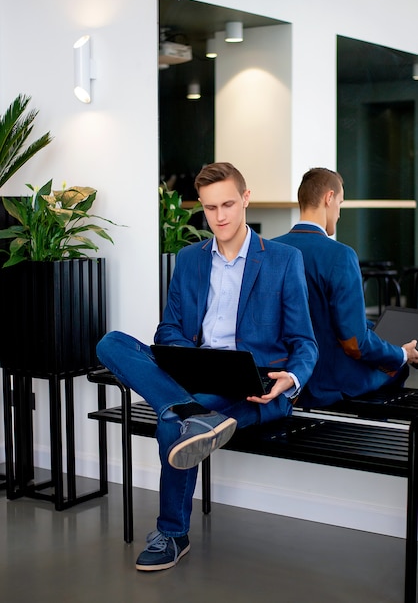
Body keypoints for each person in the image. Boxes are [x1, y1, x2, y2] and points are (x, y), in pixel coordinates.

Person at [96, 161, 318, 572]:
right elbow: (169, 329)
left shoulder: (283, 260)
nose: (220, 217)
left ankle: (173, 534)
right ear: (202, 206)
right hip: (196, 375)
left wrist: (291, 378)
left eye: (229, 204)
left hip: (254, 386)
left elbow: (305, 342)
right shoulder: (190, 259)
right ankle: (189, 410)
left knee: (172, 422)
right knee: (112, 343)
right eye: (211, 208)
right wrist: (192, 359)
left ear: (246, 199)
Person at [273, 166, 418, 408]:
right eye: (340, 203)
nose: (339, 214)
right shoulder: (340, 255)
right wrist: (402, 354)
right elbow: (354, 344)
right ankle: (370, 443)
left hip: (289, 378)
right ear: (329, 198)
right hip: (327, 382)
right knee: (397, 368)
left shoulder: (272, 249)